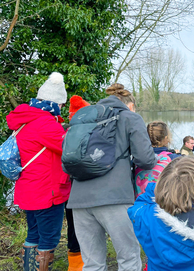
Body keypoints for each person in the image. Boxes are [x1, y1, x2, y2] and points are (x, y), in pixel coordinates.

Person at [66, 83, 157, 271]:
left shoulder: (83, 117)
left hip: (79, 199)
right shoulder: (130, 117)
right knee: (129, 259)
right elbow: (146, 160)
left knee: (92, 263)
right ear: (130, 104)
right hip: (114, 198)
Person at [6, 72, 71, 271]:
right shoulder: (46, 124)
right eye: (61, 104)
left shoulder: (26, 120)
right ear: (56, 103)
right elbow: (68, 148)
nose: (61, 109)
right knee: (48, 238)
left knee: (33, 234)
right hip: (46, 192)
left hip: (28, 189)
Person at [65, 95, 91, 271]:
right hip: (84, 188)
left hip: (67, 188)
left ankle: (75, 265)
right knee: (86, 229)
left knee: (73, 228)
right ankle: (83, 264)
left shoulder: (64, 132)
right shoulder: (89, 134)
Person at [134, 121, 181, 198]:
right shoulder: (174, 159)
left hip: (140, 204)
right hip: (164, 206)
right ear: (166, 139)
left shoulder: (138, 159)